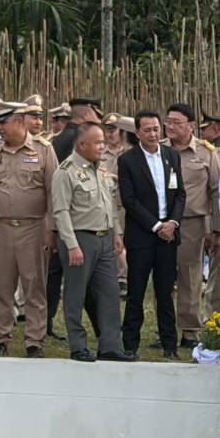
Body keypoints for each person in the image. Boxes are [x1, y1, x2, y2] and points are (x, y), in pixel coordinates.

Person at [51, 123, 133, 362]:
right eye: (97, 142)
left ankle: (109, 345)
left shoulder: (102, 170)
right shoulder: (65, 172)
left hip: (104, 239)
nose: (102, 147)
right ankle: (78, 345)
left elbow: (111, 206)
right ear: (81, 144)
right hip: (80, 239)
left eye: (103, 142)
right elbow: (61, 212)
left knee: (109, 293)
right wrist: (71, 244)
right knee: (75, 295)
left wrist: (116, 233)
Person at [0, 102, 56, 357]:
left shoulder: (43, 150)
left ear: (19, 121)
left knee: (34, 286)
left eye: (3, 123)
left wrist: (52, 230)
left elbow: (53, 192)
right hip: (2, 227)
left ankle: (34, 341)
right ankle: (0, 338)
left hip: (34, 227)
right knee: (3, 286)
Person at [118, 110, 186, 357]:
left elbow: (180, 194)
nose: (153, 134)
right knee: (136, 293)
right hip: (142, 237)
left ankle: (170, 345)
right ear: (137, 133)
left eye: (156, 129)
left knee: (165, 293)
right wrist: (157, 226)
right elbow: (129, 200)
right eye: (147, 130)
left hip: (168, 237)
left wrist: (173, 223)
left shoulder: (171, 156)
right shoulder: (127, 160)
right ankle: (130, 345)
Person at [164, 103, 220, 349]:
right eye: (168, 122)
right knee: (162, 277)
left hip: (192, 223)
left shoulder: (206, 153)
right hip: (161, 223)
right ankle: (163, 328)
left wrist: (216, 229)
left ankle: (189, 330)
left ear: (191, 125)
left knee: (190, 276)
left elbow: (216, 192)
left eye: (177, 122)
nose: (171, 127)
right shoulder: (158, 150)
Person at [47, 98, 105, 338]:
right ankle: (96, 327)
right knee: (84, 282)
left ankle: (46, 323)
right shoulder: (76, 142)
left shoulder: (54, 140)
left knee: (53, 276)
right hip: (78, 221)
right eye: (94, 117)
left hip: (57, 219)